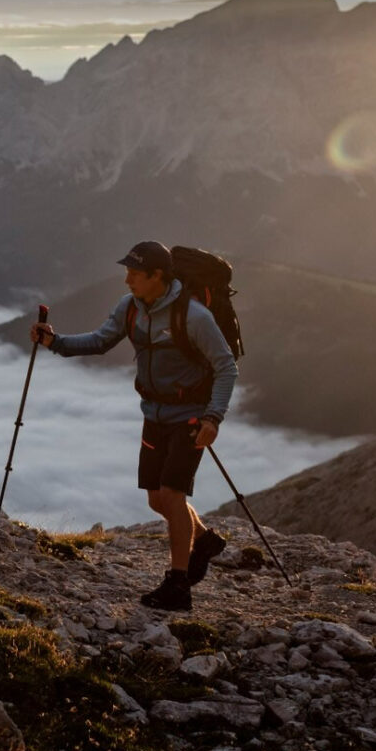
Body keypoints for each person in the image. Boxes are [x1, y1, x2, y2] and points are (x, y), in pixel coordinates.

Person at [31, 241, 237, 611]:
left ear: (157, 276)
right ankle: (203, 540)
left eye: (134, 274)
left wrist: (213, 417)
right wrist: (54, 342)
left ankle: (178, 586)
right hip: (154, 413)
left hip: (189, 414)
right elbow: (99, 341)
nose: (127, 280)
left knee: (173, 495)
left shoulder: (193, 316)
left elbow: (226, 366)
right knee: (157, 499)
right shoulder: (131, 309)